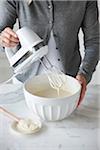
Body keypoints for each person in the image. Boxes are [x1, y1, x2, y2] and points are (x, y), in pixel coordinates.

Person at [0, 0, 99, 106]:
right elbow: (1, 31)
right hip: (24, 84)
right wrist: (3, 38)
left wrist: (85, 74)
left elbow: (94, 41)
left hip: (69, 85)